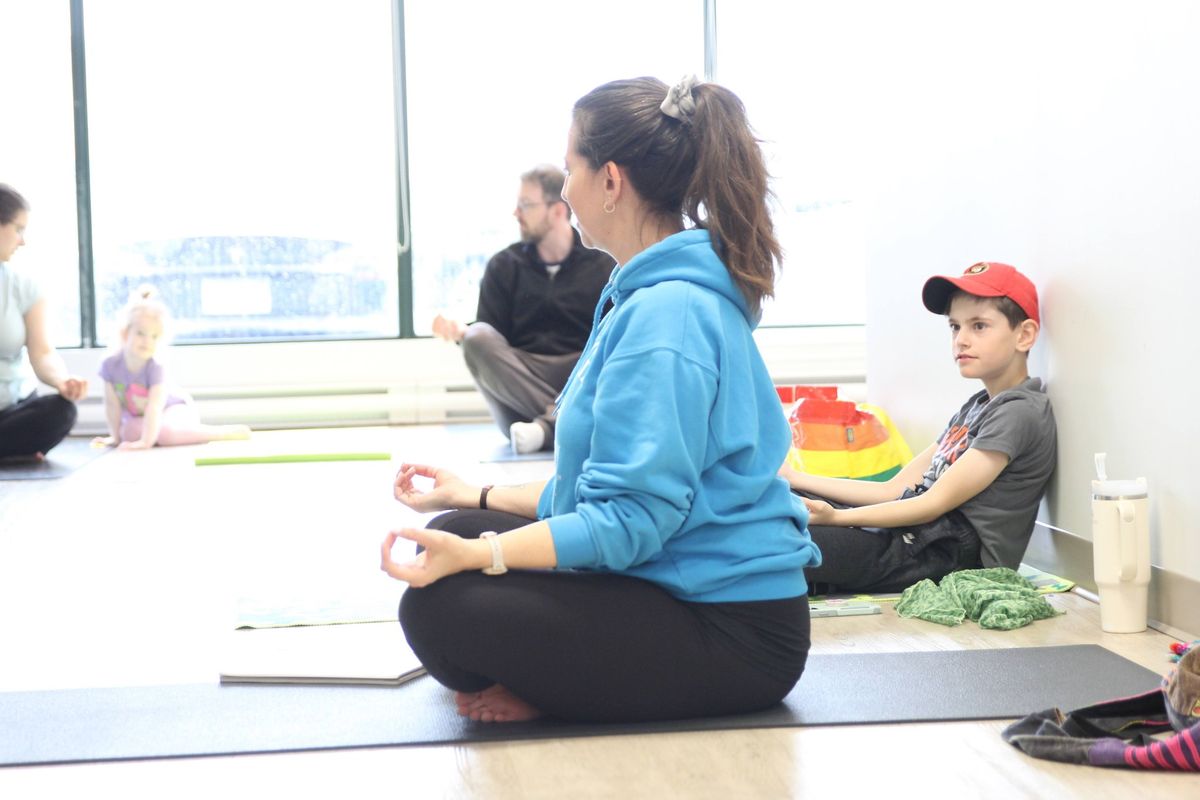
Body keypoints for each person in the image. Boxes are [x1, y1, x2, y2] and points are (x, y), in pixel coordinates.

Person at [382, 75, 820, 724]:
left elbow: (629, 523)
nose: (567, 188)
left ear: (610, 181)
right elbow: (592, 490)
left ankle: (563, 687)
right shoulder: (640, 294)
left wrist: (487, 556)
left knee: (440, 607)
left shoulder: (667, 315)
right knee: (447, 534)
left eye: (570, 169)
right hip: (673, 575)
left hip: (732, 629)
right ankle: (565, 670)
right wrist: (470, 499)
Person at [784, 262, 1056, 595]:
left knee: (778, 539)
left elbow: (934, 503)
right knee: (781, 501)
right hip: (916, 533)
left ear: (1024, 335)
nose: (961, 340)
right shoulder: (977, 406)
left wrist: (837, 519)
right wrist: (796, 480)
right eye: (955, 327)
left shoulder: (1019, 413)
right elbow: (895, 488)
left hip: (950, 555)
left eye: (979, 326)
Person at [430, 165, 614, 454]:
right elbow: (492, 345)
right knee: (477, 337)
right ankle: (562, 423)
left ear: (557, 211)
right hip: (521, 386)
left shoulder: (602, 263)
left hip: (580, 374)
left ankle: (547, 427)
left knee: (611, 344)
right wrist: (462, 334)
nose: (516, 214)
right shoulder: (503, 266)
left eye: (526, 205)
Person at [93, 285, 250, 450]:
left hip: (173, 409)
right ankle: (154, 436)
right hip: (142, 417)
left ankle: (220, 433)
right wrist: (116, 437)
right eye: (141, 334)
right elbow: (112, 405)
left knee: (166, 434)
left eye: (154, 336)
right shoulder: (110, 365)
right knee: (128, 432)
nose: (147, 341)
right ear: (125, 333)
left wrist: (145, 442)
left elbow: (154, 406)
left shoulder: (155, 367)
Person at [0, 184, 89, 461]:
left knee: (61, 412)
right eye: (18, 229)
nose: (22, 240)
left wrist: (62, 380)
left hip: (11, 410)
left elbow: (42, 352)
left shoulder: (25, 287)